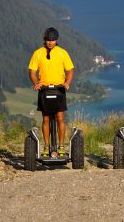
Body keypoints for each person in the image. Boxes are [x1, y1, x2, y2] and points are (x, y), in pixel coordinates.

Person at [28, 27, 74, 157]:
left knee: (60, 118)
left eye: (53, 40)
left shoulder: (62, 53)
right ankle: (46, 146)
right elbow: (32, 71)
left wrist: (67, 83)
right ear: (45, 40)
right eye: (48, 40)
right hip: (44, 89)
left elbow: (70, 70)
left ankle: (61, 146)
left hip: (59, 89)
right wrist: (36, 83)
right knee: (46, 119)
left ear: (56, 40)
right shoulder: (38, 53)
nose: (50, 42)